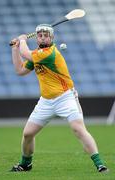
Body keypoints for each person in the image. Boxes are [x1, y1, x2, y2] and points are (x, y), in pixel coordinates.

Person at [10, 24, 108, 173]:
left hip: (65, 97)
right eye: (40, 35)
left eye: (46, 35)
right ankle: (25, 164)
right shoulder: (37, 55)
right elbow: (20, 70)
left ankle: (100, 164)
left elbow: (27, 54)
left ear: (51, 38)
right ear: (37, 38)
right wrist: (15, 49)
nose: (43, 37)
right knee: (28, 134)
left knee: (78, 129)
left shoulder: (49, 53)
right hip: (46, 101)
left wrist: (22, 40)